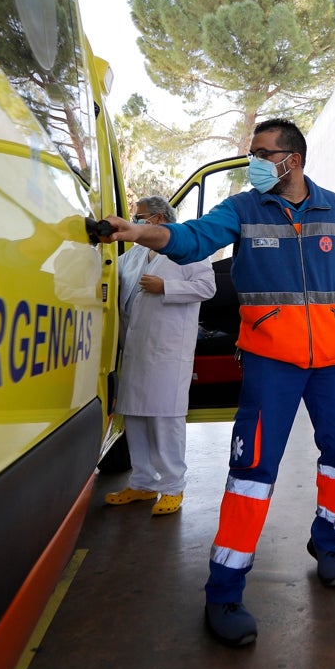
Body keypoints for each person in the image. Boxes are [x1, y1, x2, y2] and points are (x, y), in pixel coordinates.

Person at [97, 119, 335, 648]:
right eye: (252, 153)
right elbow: (193, 239)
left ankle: (328, 543)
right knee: (253, 470)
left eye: (263, 153)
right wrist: (139, 231)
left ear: (293, 159)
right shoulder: (242, 209)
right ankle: (224, 590)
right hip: (271, 360)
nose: (254, 163)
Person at [104, 196, 216, 516]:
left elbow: (207, 287)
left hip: (168, 350)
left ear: (159, 219)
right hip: (135, 349)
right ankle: (142, 483)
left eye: (141, 217)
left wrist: (166, 287)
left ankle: (172, 487)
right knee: (135, 417)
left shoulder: (189, 249)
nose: (136, 223)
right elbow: (111, 276)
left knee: (165, 420)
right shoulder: (135, 253)